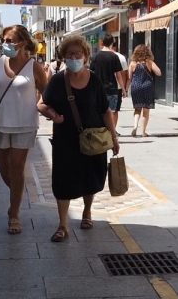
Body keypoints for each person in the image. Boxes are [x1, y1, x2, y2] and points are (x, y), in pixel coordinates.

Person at [38, 36, 120, 242]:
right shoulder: (58, 80)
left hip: (93, 139)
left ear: (85, 56)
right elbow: (41, 104)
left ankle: (87, 212)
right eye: (69, 55)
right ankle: (63, 225)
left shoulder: (94, 80)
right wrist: (52, 115)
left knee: (91, 177)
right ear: (63, 57)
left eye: (78, 54)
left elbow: (105, 111)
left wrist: (114, 138)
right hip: (65, 140)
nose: (74, 58)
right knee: (63, 180)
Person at [0, 25, 49, 235]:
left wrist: (50, 111)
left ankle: (13, 213)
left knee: (17, 167)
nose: (5, 44)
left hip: (25, 124)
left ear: (23, 43)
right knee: (5, 170)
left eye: (10, 41)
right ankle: (17, 191)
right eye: (4, 40)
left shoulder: (34, 67)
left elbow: (47, 93)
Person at [129, 44, 162, 137]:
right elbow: (159, 72)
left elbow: (129, 77)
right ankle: (143, 132)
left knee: (137, 109)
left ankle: (135, 126)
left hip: (136, 87)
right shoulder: (149, 62)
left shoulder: (133, 63)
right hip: (147, 86)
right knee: (146, 110)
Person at [98, 35, 128, 130]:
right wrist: (124, 89)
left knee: (100, 112)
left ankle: (101, 131)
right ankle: (111, 132)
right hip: (112, 89)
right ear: (112, 43)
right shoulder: (114, 57)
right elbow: (119, 75)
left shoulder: (96, 56)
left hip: (99, 90)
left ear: (102, 43)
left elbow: (92, 74)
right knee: (111, 112)